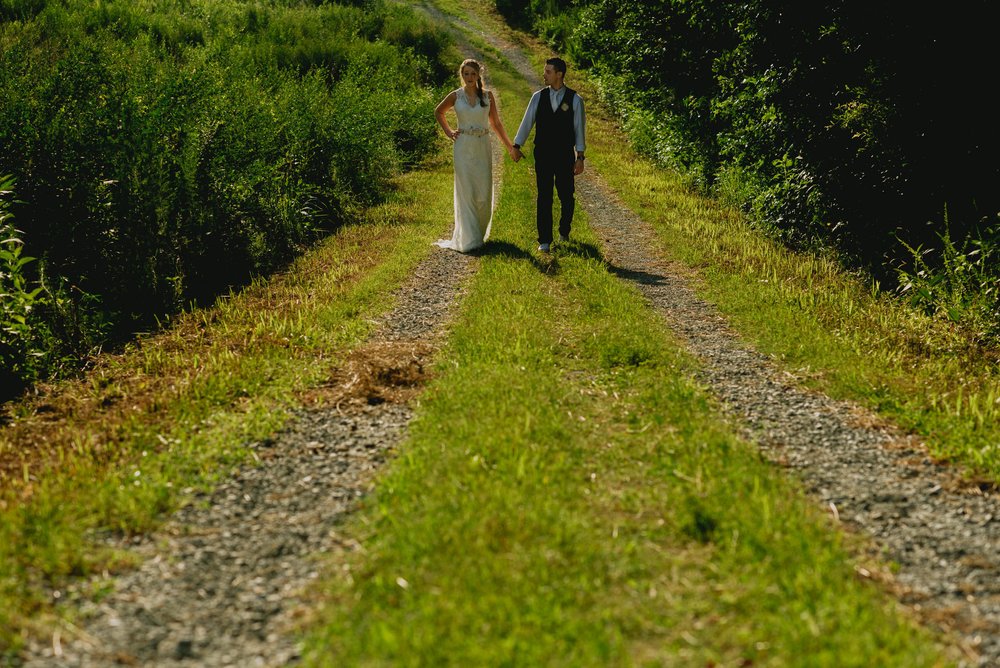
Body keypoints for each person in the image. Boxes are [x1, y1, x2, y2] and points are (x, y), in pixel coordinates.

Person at [433, 58, 517, 253]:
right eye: (465, 74)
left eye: (472, 73)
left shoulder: (488, 97)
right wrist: (449, 132)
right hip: (463, 148)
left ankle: (479, 233)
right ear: (462, 76)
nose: (469, 77)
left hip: (482, 146)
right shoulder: (455, 96)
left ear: (479, 74)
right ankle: (470, 240)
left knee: (483, 191)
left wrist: (510, 147)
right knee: (466, 191)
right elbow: (439, 112)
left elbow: (496, 124)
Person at [511, 57, 586, 252]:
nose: (544, 75)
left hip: (564, 155)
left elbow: (579, 130)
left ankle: (564, 231)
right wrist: (517, 145)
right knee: (544, 196)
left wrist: (580, 157)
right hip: (543, 153)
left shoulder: (575, 100)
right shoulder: (538, 97)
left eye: (548, 72)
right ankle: (544, 240)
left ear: (559, 74)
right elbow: (527, 122)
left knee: (566, 195)